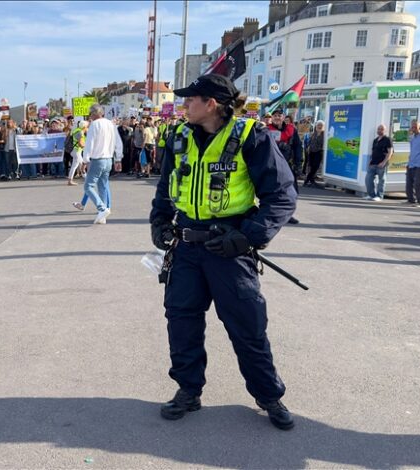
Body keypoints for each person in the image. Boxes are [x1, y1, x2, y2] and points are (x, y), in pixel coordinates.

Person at [149, 74, 297, 431]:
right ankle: (188, 390)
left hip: (229, 251)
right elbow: (166, 186)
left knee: (247, 326)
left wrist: (248, 238)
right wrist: (159, 221)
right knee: (181, 321)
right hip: (185, 250)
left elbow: (282, 196)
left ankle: (268, 396)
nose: (183, 106)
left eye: (189, 100)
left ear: (211, 103)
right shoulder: (178, 136)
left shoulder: (251, 137)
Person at [82, 103, 123, 224]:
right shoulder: (111, 124)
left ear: (94, 114)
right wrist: (118, 158)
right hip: (108, 159)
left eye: (90, 113)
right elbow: (118, 142)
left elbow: (89, 143)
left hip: (97, 159)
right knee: (103, 185)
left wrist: (85, 159)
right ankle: (103, 215)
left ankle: (102, 208)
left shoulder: (94, 124)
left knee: (88, 186)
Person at [267, 109, 300, 224]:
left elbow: (297, 147)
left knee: (292, 191)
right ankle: (271, 215)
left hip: (287, 164)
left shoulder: (291, 130)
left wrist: (298, 163)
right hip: (271, 166)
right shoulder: (266, 130)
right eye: (274, 115)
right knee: (271, 191)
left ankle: (288, 215)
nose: (277, 117)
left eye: (279, 115)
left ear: (283, 117)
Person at [364, 124, 392, 201]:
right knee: (368, 179)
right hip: (373, 163)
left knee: (381, 180)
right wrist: (370, 160)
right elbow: (373, 151)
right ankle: (371, 195)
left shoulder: (387, 139)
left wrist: (383, 162)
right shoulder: (375, 140)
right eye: (378, 129)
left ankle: (379, 196)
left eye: (381, 129)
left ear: (384, 130)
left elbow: (390, 152)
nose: (379, 130)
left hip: (382, 164)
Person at [406, 119, 420, 207]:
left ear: (419, 128)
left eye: (415, 127)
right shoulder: (412, 138)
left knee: (418, 183)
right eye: (412, 126)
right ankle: (411, 200)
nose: (413, 128)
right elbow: (412, 149)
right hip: (411, 163)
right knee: (409, 183)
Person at [303, 120, 325, 187]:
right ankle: (311, 180)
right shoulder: (313, 133)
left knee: (315, 166)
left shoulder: (324, 134)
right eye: (318, 125)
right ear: (316, 126)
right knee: (311, 166)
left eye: (321, 125)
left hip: (318, 152)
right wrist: (307, 148)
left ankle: (307, 180)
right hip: (311, 152)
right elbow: (309, 142)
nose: (319, 126)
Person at [67, 121, 88, 186]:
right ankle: (88, 180)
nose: (87, 128)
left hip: (75, 151)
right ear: (84, 127)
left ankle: (70, 180)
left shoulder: (77, 130)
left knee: (74, 166)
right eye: (87, 126)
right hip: (76, 151)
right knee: (83, 165)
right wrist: (87, 146)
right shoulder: (80, 132)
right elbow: (81, 144)